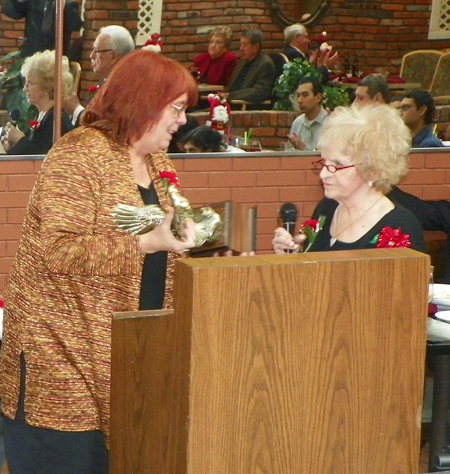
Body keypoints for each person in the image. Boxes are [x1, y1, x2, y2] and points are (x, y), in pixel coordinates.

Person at [0, 50, 198, 474]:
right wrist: (145, 244)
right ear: (143, 102)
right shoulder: (78, 156)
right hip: (63, 365)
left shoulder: (157, 161)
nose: (182, 120)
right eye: (177, 108)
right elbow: (59, 250)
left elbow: (166, 234)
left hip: (130, 357)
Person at [272, 104, 425, 254]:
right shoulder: (327, 209)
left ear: (372, 170)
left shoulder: (399, 227)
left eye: (338, 164)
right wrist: (293, 257)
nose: (323, 174)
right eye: (325, 162)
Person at [1, 49, 74, 155]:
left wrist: (20, 140)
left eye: (29, 84)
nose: (25, 89)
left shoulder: (56, 120)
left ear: (47, 86)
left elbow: (42, 157)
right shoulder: (43, 115)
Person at [63, 24, 135, 126]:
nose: (91, 55)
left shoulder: (124, 88)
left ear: (114, 56)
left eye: (97, 51)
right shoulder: (107, 82)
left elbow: (103, 126)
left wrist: (76, 109)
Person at [1, 0, 83, 60]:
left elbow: (76, 25)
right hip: (31, 56)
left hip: (56, 59)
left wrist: (64, 6)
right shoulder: (33, 3)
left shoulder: (67, 4)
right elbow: (10, 12)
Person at [225, 29, 276, 108]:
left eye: (245, 45)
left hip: (245, 108)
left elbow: (260, 92)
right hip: (228, 105)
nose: (241, 48)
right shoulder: (241, 62)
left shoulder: (265, 64)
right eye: (241, 44)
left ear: (256, 47)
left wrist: (231, 96)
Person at [287, 76, 328, 150]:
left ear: (318, 98)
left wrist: (303, 148)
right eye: (298, 96)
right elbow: (290, 153)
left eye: (305, 95)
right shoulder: (297, 122)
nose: (300, 100)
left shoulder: (330, 123)